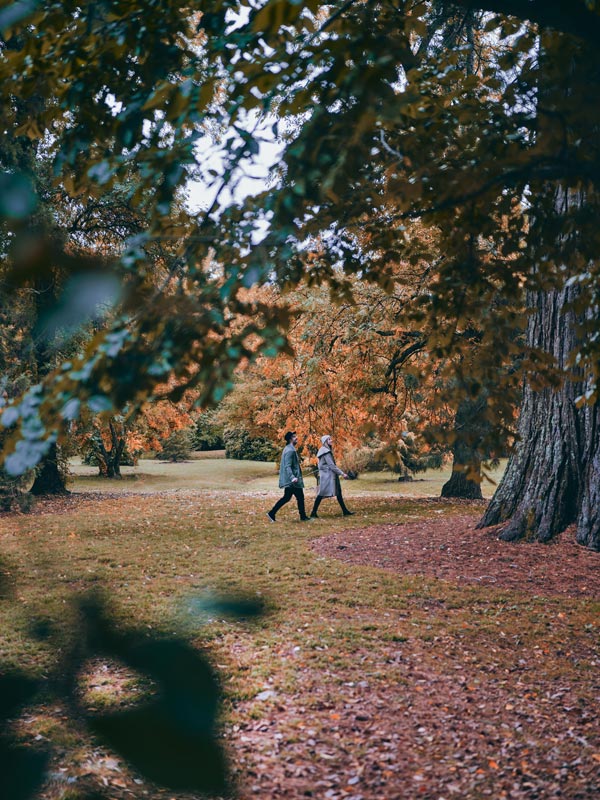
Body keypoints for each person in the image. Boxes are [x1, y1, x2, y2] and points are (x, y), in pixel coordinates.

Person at [267, 431, 311, 522]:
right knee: (300, 497)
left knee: (287, 497)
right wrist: (292, 477)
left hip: (291, 480)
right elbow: (287, 466)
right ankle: (303, 517)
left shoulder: (288, 448)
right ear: (290, 439)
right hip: (292, 481)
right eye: (294, 437)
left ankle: (272, 513)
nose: (296, 438)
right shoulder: (290, 450)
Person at [310, 435, 354, 518]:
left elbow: (324, 465)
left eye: (330, 438)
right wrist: (342, 473)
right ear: (325, 442)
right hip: (328, 476)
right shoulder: (325, 451)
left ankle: (345, 511)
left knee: (339, 493)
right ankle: (313, 513)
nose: (331, 440)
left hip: (330, 475)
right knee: (321, 493)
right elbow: (331, 465)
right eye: (329, 439)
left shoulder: (325, 450)